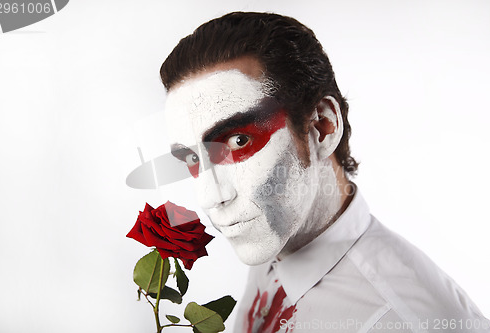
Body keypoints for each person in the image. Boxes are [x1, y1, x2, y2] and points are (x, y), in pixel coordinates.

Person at [160, 12, 489, 333]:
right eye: (191, 158)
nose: (210, 197)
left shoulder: (408, 320)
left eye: (239, 140)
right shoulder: (276, 233)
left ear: (322, 127)